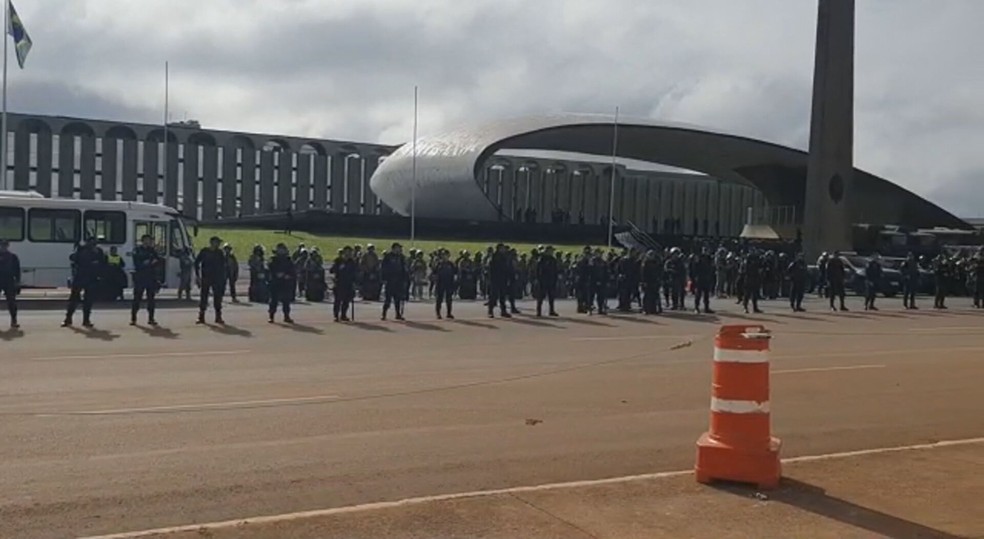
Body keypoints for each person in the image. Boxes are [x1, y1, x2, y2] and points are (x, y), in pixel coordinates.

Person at [63, 236, 106, 328]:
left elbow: (102, 263)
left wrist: (100, 275)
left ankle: (86, 320)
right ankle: (68, 318)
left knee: (88, 301)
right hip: (80, 277)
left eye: (94, 242)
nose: (92, 244)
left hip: (91, 278)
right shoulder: (81, 249)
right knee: (74, 299)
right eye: (90, 242)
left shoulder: (98, 251)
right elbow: (73, 258)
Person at [130, 234, 163, 326]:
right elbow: (137, 263)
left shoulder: (152, 250)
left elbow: (158, 260)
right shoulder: (137, 250)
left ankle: (151, 318)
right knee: (137, 298)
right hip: (140, 278)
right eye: (146, 240)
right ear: (142, 240)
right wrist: (148, 262)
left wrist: (152, 262)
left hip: (150, 278)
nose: (148, 242)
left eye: (149, 240)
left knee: (151, 299)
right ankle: (133, 318)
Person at [195, 236, 228, 325]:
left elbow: (223, 266)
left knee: (217, 297)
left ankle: (218, 316)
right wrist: (198, 276)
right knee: (204, 297)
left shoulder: (220, 253)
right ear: (212, 242)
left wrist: (223, 278)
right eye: (217, 242)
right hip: (206, 277)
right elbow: (196, 263)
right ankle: (201, 316)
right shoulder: (204, 251)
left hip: (217, 278)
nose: (218, 244)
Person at [267, 243, 296, 323]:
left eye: (282, 249)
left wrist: (288, 276)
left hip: (285, 283)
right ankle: (271, 316)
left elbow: (292, 270)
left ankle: (286, 316)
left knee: (286, 300)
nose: (281, 251)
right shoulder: (273, 259)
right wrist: (276, 274)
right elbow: (270, 267)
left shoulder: (288, 260)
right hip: (275, 282)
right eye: (279, 249)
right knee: (273, 300)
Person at [381, 243, 409, 321]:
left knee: (398, 299)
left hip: (399, 280)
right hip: (390, 280)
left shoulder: (401, 257)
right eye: (397, 248)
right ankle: (384, 314)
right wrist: (384, 278)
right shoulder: (388, 257)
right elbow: (383, 268)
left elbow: (404, 269)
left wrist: (405, 279)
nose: (399, 249)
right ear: (393, 248)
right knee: (388, 299)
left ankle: (398, 314)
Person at [330, 246, 357, 322]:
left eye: (350, 252)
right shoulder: (338, 261)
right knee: (338, 300)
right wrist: (339, 268)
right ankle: (336, 315)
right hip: (339, 283)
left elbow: (355, 273)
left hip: (348, 283)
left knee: (347, 300)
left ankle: (343, 315)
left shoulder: (352, 262)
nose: (348, 254)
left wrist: (354, 282)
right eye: (347, 252)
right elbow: (332, 270)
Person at [487, 243, 512, 318]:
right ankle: (490, 311)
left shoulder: (505, 257)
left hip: (503, 279)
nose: (503, 249)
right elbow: (490, 269)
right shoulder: (494, 257)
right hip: (495, 279)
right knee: (493, 296)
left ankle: (503, 311)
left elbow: (507, 268)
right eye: (502, 248)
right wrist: (491, 279)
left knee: (503, 296)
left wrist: (508, 278)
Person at [0, 239, 21, 328]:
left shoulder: (13, 257)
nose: (3, 247)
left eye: (5, 245)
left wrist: (18, 281)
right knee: (11, 301)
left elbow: (17, 270)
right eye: (2, 245)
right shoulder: (12, 256)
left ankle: (14, 320)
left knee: (11, 302)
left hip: (9, 280)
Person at [535, 246, 560, 317]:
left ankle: (551, 310)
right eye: (550, 251)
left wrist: (555, 279)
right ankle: (538, 311)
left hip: (551, 280)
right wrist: (538, 279)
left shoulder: (553, 260)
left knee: (551, 296)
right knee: (541, 296)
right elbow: (538, 270)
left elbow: (555, 271)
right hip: (543, 280)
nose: (552, 252)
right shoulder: (542, 259)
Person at [433, 249, 457, 319]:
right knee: (439, 299)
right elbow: (434, 273)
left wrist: (454, 283)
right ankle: (438, 313)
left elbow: (455, 273)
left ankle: (449, 313)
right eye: (443, 255)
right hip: (440, 283)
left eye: (446, 255)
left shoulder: (451, 264)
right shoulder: (438, 264)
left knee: (449, 299)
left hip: (449, 283)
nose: (445, 257)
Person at [691, 246, 716, 314]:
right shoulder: (699, 258)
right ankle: (696, 308)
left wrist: (711, 276)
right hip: (699, 277)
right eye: (705, 250)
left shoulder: (710, 258)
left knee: (706, 294)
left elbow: (712, 268)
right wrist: (695, 277)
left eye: (707, 250)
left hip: (707, 278)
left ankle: (706, 308)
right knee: (698, 294)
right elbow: (695, 267)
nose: (706, 251)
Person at [641, 249, 663, 315]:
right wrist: (643, 281)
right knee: (647, 296)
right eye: (650, 255)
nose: (652, 256)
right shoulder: (645, 263)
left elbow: (659, 271)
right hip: (647, 281)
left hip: (655, 281)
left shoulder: (656, 262)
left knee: (654, 295)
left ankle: (653, 309)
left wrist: (659, 279)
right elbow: (643, 273)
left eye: (653, 255)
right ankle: (645, 309)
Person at [741, 249, 763, 314]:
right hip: (748, 278)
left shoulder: (757, 262)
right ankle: (745, 307)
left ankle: (755, 308)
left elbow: (760, 268)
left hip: (755, 278)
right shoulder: (746, 262)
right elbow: (744, 270)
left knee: (755, 294)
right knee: (747, 294)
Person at [589, 250, 610, 315]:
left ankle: (600, 309)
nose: (600, 254)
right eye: (598, 253)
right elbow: (590, 272)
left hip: (602, 281)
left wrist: (607, 281)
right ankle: (589, 309)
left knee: (601, 296)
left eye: (601, 253)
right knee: (591, 296)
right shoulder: (592, 261)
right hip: (593, 281)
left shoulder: (603, 262)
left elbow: (606, 272)